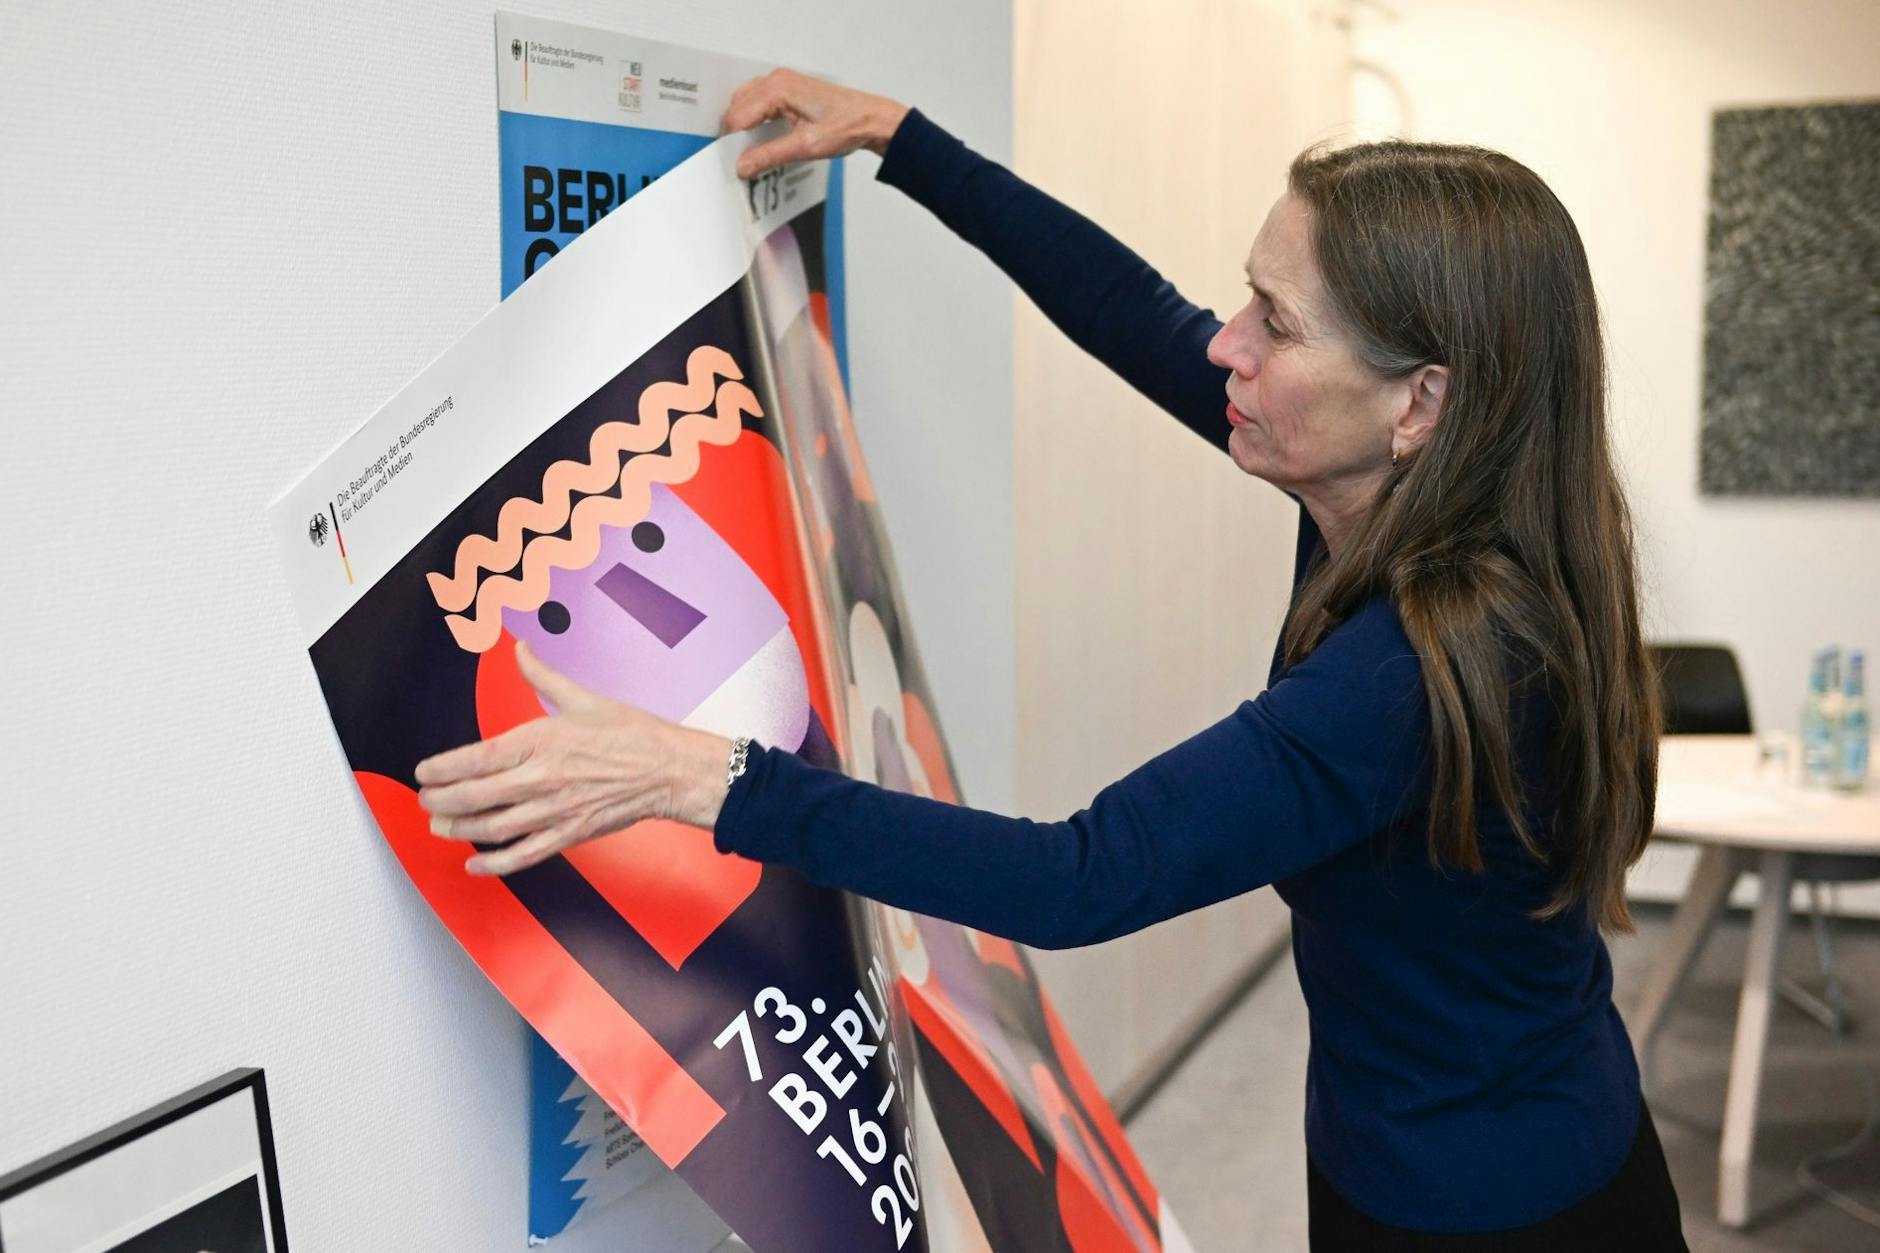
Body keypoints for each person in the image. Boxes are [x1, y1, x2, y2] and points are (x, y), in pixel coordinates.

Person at [415, 71, 1689, 1250]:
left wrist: (704, 776)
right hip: (1431, 1125)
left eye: (1276, 325)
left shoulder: (1405, 673)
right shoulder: (1399, 482)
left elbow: (1075, 876)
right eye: (1245, 292)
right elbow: (1140, 317)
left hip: (1489, 1204)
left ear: (1418, 401)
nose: (1225, 344)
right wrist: (903, 142)